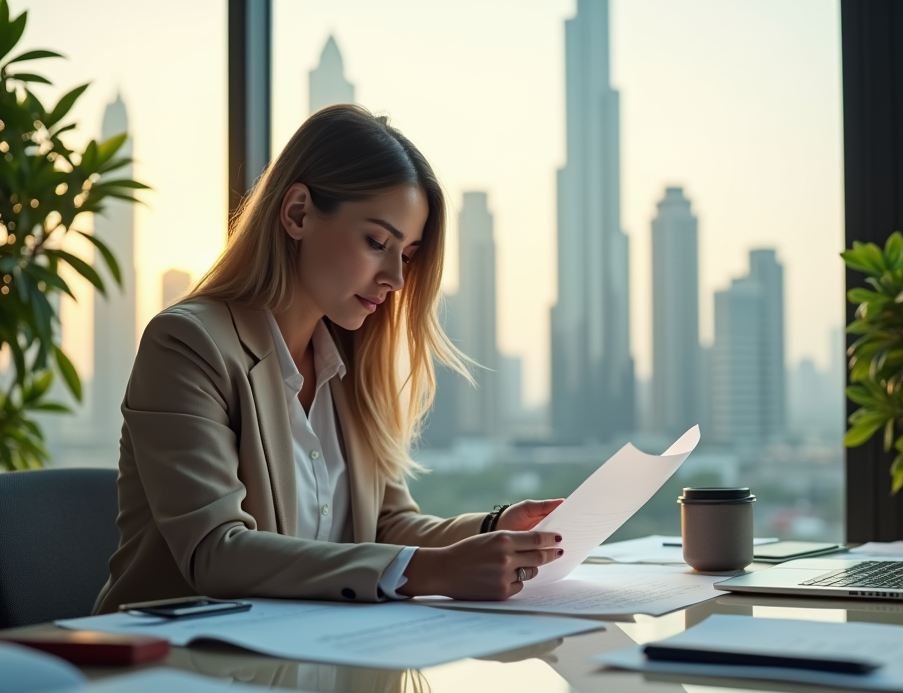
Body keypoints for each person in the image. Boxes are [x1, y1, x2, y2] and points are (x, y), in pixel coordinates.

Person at [93, 105, 564, 614]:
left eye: (406, 255)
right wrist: (434, 570)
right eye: (377, 242)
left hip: (313, 654)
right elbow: (215, 552)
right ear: (297, 214)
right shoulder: (188, 344)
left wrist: (497, 528)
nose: (396, 279)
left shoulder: (352, 363)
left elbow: (386, 527)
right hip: (183, 667)